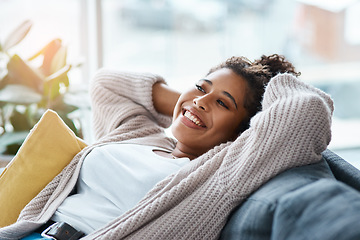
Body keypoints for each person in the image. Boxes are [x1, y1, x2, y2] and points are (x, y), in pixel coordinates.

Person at [0, 54, 333, 239]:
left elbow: (307, 113)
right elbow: (106, 83)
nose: (202, 100)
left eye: (224, 103)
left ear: (245, 131)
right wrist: (192, 105)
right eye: (201, 87)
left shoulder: (222, 172)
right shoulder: (138, 132)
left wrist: (263, 89)